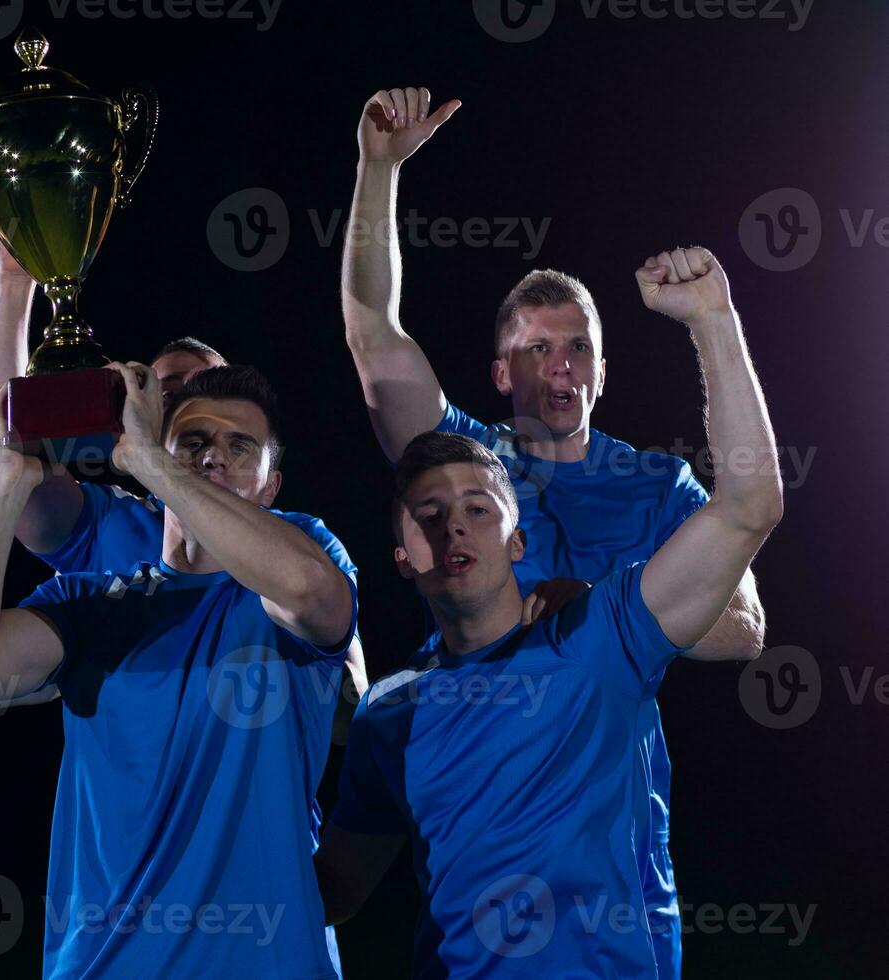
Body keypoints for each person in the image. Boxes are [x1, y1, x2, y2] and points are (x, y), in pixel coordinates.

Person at [340, 86, 767, 975]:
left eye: (576, 348)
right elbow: (373, 334)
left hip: (605, 812)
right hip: (468, 766)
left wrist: (594, 609)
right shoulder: (466, 466)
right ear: (501, 371)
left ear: (601, 372)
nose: (559, 365)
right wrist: (377, 170)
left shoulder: (657, 483)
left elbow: (742, 628)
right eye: (537, 348)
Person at [0, 363, 357, 977]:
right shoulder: (91, 602)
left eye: (241, 447)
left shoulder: (303, 563)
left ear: (271, 485)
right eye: (195, 443)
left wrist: (155, 460)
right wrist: (4, 490)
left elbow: (311, 592)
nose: (214, 458)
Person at [0, 237, 368, 726]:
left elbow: (345, 679)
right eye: (166, 397)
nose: (194, 420)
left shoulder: (299, 541)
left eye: (208, 395)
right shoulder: (108, 524)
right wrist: (13, 281)